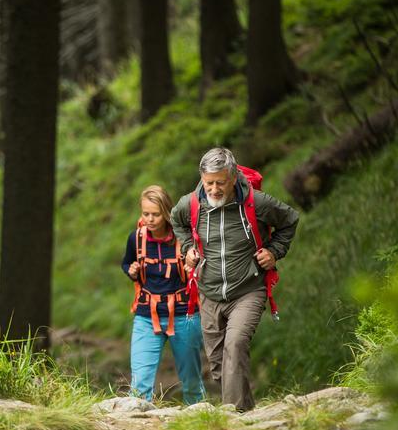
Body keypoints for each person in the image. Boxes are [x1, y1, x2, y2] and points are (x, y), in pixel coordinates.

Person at [170, 147, 300, 412]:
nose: (214, 189)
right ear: (202, 179)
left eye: (220, 183)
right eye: (209, 183)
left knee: (236, 344)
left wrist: (274, 252)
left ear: (233, 177)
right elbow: (176, 221)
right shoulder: (191, 204)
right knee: (219, 365)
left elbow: (289, 220)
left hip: (248, 289)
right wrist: (187, 249)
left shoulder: (257, 202)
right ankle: (247, 414)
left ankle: (231, 419)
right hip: (209, 290)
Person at [121, 185, 206, 404]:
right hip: (146, 316)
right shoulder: (136, 238)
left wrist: (192, 267)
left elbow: (202, 266)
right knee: (139, 384)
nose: (150, 219)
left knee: (192, 381)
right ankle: (138, 429)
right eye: (145, 213)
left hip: (184, 315)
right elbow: (127, 262)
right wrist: (131, 271)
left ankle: (200, 421)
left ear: (167, 212)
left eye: (156, 214)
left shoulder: (183, 238)